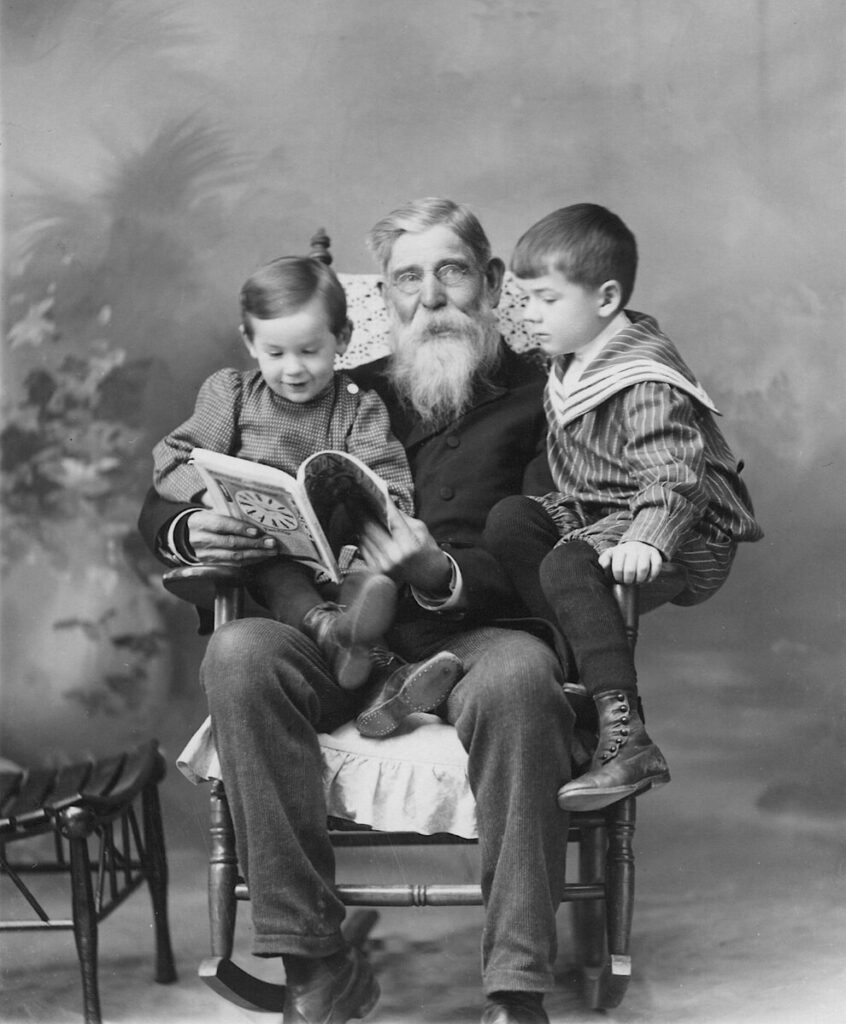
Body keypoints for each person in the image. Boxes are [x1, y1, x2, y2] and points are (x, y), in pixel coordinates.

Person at [138, 197, 571, 1024]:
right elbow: (158, 499)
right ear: (385, 296)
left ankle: (517, 989)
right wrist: (201, 527)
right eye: (409, 277)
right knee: (239, 656)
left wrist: (438, 571)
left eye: (451, 271)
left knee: (520, 679)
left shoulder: (547, 401)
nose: (432, 296)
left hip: (478, 635)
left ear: (490, 281)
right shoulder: (330, 385)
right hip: (337, 637)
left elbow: (554, 548)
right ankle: (316, 963)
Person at [484, 203, 763, 814]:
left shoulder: (644, 378)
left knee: (566, 564)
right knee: (511, 519)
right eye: (524, 299)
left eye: (546, 300)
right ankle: (576, 684)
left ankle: (627, 735)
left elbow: (674, 472)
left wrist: (650, 537)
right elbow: (509, 325)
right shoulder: (572, 348)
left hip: (681, 525)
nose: (530, 314)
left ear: (605, 297)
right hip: (602, 511)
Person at [152, 254, 463, 731]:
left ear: (343, 339)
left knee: (371, 585)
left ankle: (373, 666)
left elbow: (389, 482)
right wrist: (206, 497)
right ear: (249, 341)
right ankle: (358, 654)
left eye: (310, 351)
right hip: (263, 553)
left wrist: (378, 512)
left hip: (339, 556)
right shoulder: (232, 394)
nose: (293, 369)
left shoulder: (358, 407)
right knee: (275, 570)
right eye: (275, 353)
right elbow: (173, 455)